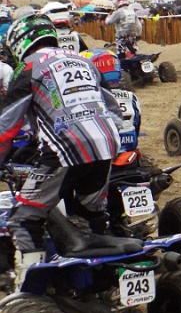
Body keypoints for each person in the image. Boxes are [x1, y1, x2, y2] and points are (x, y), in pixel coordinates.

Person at [0, 16, 134, 289]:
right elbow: (114, 110)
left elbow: (5, 129)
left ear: (19, 43)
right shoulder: (83, 61)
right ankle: (102, 285)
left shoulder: (27, 67)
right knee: (90, 213)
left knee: (24, 219)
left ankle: (31, 293)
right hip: (107, 142)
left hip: (66, 149)